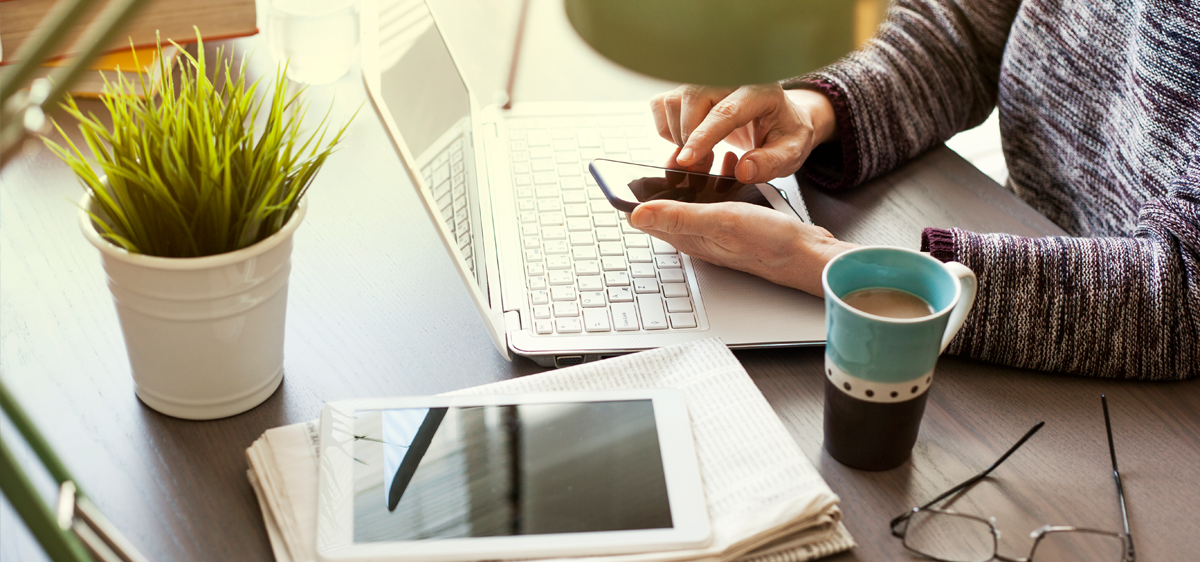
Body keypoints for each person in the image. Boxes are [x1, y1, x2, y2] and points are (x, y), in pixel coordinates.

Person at [634, 0, 1199, 380]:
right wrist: (812, 111)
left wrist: (828, 266)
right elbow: (958, 26)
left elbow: (1189, 294)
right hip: (1025, 233)